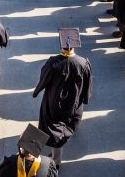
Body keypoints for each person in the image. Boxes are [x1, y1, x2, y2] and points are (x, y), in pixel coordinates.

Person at [33, 28, 93, 169]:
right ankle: (66, 139)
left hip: (54, 103)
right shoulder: (83, 63)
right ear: (75, 45)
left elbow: (44, 79)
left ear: (62, 45)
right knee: (69, 123)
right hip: (74, 102)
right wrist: (85, 98)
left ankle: (55, 161)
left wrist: (37, 91)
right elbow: (87, 84)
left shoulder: (53, 62)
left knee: (55, 132)